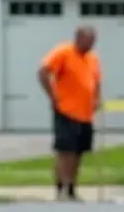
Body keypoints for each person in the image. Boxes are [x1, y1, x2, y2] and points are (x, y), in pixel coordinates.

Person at [38, 25, 102, 201]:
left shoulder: (92, 58)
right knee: (66, 151)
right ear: (78, 38)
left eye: (93, 41)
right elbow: (43, 72)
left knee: (79, 151)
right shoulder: (63, 52)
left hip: (86, 113)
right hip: (66, 110)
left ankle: (72, 187)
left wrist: (96, 98)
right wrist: (53, 97)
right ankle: (62, 188)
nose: (91, 45)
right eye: (88, 41)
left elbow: (96, 81)